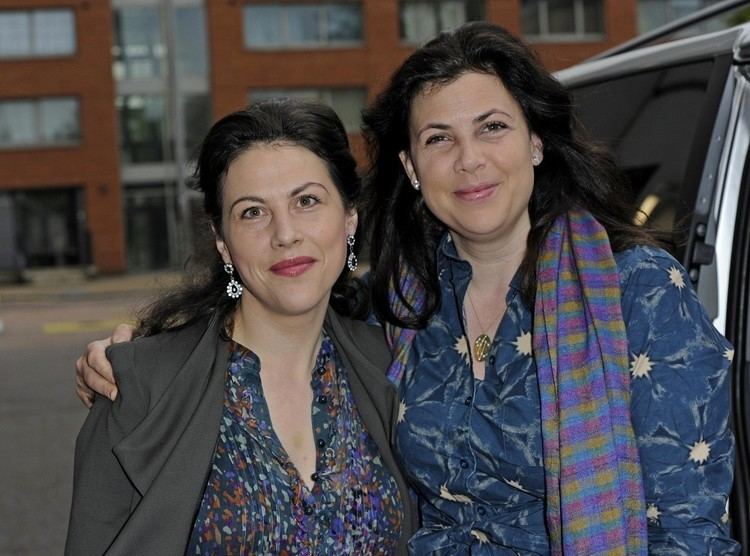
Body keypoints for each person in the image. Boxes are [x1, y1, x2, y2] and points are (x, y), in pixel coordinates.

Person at [76, 23, 738, 554]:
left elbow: (689, 531)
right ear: (412, 167)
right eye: (438, 138)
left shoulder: (640, 294)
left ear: (536, 141)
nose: (469, 159)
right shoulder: (404, 302)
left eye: (493, 127)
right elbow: (280, 302)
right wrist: (137, 353)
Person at [65, 99, 415, 555]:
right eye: (253, 211)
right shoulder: (138, 387)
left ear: (349, 218)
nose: (284, 233)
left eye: (306, 201)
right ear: (223, 242)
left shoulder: (393, 362)